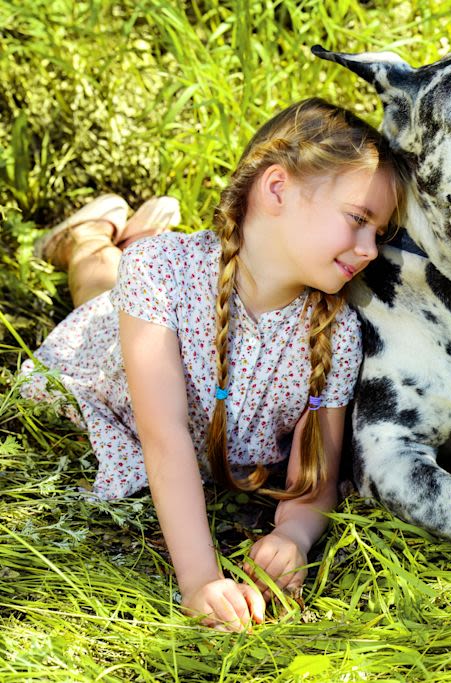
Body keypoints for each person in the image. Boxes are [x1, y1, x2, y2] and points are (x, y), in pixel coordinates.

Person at [20, 98, 401, 631]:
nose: (369, 250)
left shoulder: (334, 333)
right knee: (98, 285)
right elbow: (166, 434)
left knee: (110, 284)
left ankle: (116, 234)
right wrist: (200, 580)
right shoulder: (161, 272)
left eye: (378, 234)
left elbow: (318, 477)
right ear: (276, 189)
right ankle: (87, 234)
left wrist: (294, 534)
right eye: (359, 220)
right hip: (112, 355)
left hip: (161, 307)